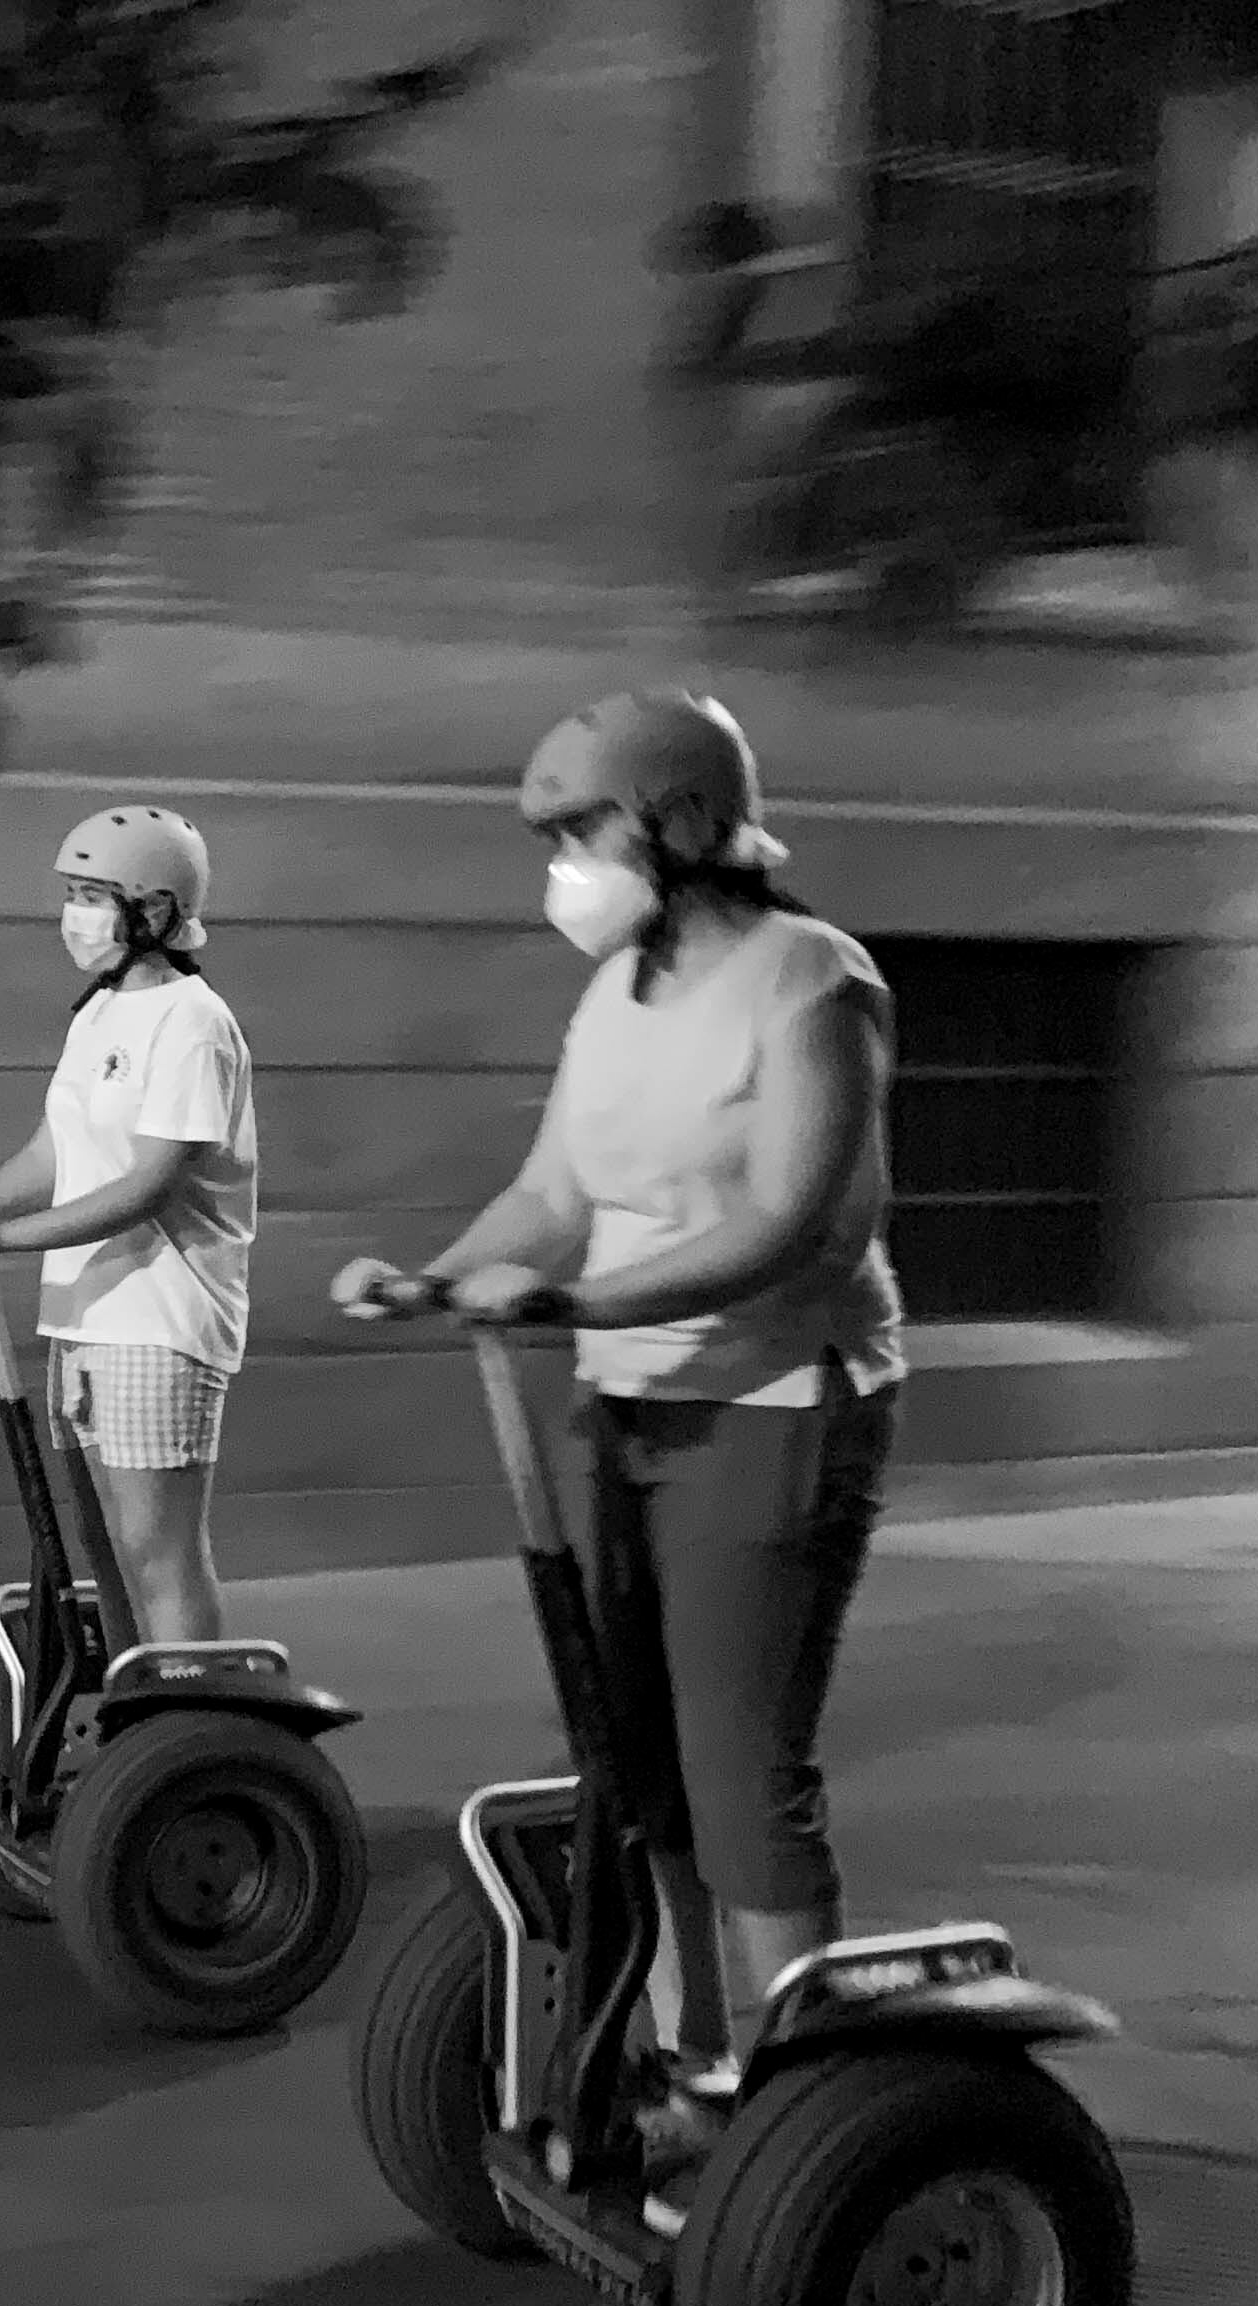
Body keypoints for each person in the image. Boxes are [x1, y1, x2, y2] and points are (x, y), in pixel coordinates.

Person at [331, 690, 905, 2102]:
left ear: (688, 824)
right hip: (624, 1398)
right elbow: (552, 1192)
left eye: (585, 830)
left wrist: (579, 1301)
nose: (565, 868)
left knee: (739, 1771)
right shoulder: (612, 995)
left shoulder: (811, 982)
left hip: (773, 1400)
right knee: (627, 1759)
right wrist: (438, 1278)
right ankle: (686, 2050)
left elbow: (786, 1220)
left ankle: (798, 2105)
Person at [0, 806, 259, 1646]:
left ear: (157, 910)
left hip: (159, 1321)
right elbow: (56, 1147)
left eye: (97, 894)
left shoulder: (193, 1023)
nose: (77, 914)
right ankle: (143, 1733)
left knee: (157, 1552)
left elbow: (147, 1184)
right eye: (72, 893)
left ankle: (191, 1726)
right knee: (111, 1554)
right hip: (86, 1315)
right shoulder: (98, 1013)